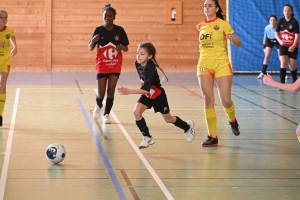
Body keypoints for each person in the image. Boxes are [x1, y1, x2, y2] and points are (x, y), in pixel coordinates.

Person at [117, 42, 195, 149]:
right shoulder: (137, 63)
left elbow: (145, 89)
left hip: (158, 96)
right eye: (137, 53)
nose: (138, 56)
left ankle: (187, 126)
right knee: (136, 112)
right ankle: (147, 137)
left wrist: (129, 91)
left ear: (149, 56)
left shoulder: (150, 67)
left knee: (168, 119)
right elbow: (144, 84)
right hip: (148, 95)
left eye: (142, 54)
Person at [196, 0, 242, 147]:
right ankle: (212, 136)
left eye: (210, 5)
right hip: (204, 64)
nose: (207, 8)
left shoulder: (223, 24)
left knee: (225, 101)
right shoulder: (200, 26)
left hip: (221, 64)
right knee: (208, 99)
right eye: (205, 5)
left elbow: (238, 43)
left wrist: (234, 39)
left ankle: (232, 120)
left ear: (216, 8)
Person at [88, 4, 129, 124]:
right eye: (105, 15)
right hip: (102, 65)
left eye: (110, 16)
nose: (107, 17)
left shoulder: (119, 30)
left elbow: (126, 48)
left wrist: (121, 47)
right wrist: (93, 41)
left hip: (115, 64)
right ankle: (98, 105)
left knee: (111, 91)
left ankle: (106, 114)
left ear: (114, 17)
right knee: (101, 93)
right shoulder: (98, 30)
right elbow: (90, 48)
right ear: (103, 16)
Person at [0, 10, 17, 126]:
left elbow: (12, 37)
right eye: (1, 17)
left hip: (5, 61)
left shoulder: (9, 30)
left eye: (5, 17)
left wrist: (15, 47)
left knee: (3, 85)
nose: (3, 19)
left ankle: (0, 115)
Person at [275, 4, 299, 84]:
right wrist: (280, 41)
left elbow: (296, 35)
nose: (286, 12)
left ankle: (294, 81)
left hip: (292, 46)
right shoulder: (281, 21)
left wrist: (293, 45)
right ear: (283, 12)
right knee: (283, 62)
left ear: (291, 12)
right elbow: (276, 33)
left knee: (292, 66)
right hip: (283, 46)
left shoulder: (294, 22)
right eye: (285, 10)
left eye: (288, 10)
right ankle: (282, 84)